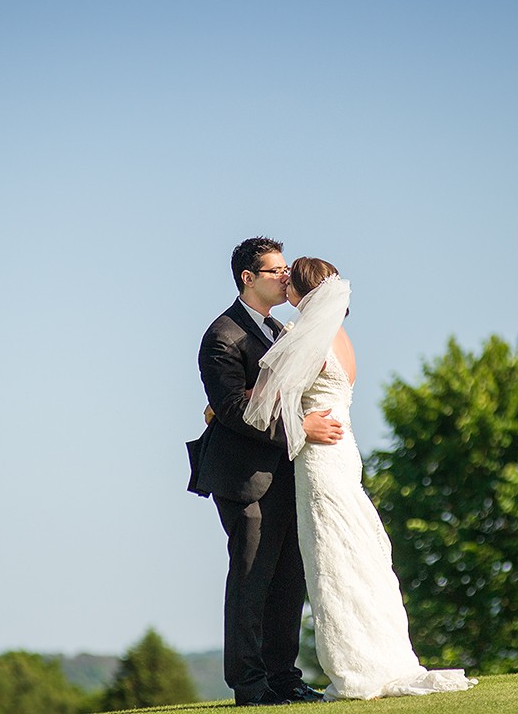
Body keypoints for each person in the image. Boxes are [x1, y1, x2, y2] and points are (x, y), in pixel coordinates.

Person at [245, 257, 478, 701]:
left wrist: (220, 408)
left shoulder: (301, 337)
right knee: (357, 554)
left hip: (319, 458)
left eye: (288, 281)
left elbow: (265, 404)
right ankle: (381, 654)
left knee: (331, 559)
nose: (283, 286)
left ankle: (356, 666)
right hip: (345, 453)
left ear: (301, 293)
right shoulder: (343, 339)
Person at [189, 237, 343, 706]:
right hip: (245, 478)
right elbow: (234, 407)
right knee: (251, 580)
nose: (285, 276)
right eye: (275, 270)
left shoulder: (280, 330)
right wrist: (302, 428)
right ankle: (251, 688)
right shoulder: (222, 336)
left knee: (288, 580)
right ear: (247, 278)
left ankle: (284, 679)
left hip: (290, 473)